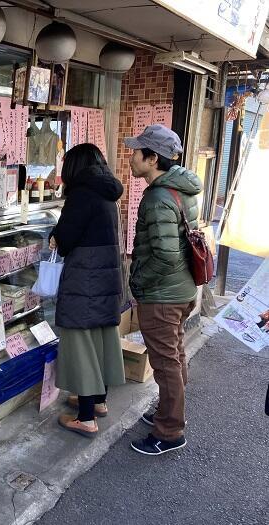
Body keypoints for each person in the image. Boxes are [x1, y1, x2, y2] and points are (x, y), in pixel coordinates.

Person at [125, 124, 202, 456]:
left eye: (136, 151)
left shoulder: (158, 197)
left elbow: (166, 256)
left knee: (166, 362)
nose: (131, 156)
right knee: (176, 354)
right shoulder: (181, 190)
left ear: (152, 158)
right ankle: (169, 415)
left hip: (162, 295)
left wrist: (138, 279)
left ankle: (170, 431)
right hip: (182, 289)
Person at [49, 143, 126, 438]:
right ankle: (98, 402)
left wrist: (55, 236)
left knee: (81, 342)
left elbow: (66, 239)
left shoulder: (81, 194)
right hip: (106, 278)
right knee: (102, 338)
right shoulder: (107, 193)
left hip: (85, 280)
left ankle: (85, 418)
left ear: (74, 167)